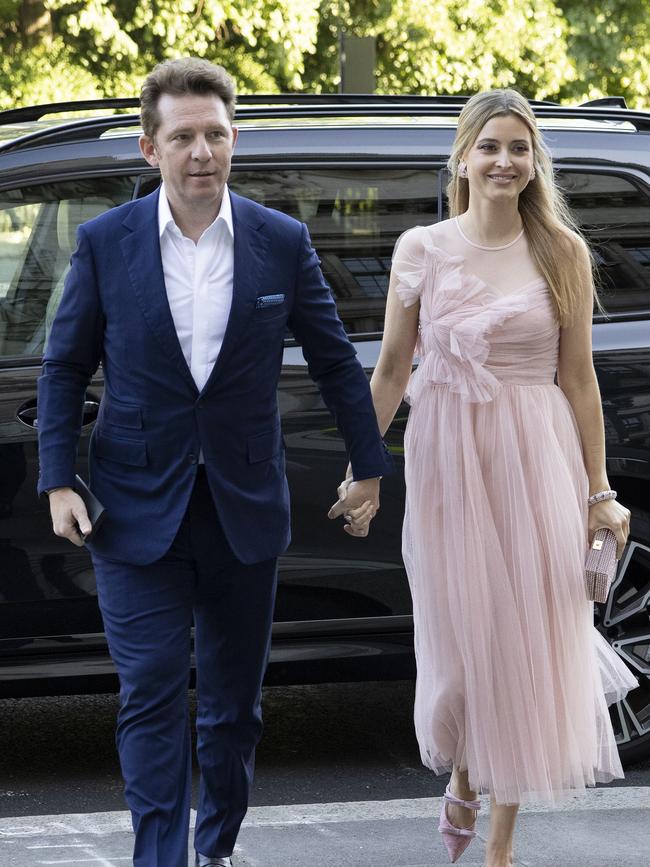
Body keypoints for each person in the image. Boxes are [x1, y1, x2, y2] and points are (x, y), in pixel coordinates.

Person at [37, 58, 389, 867]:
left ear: (236, 140)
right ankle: (159, 858)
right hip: (131, 512)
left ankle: (216, 846)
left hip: (243, 510)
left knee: (232, 709)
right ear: (149, 148)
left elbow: (336, 362)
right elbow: (62, 367)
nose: (202, 151)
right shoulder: (103, 244)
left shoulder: (280, 240)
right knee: (151, 697)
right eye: (184, 136)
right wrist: (59, 479)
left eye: (216, 135)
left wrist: (367, 465)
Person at [352, 89, 638, 867]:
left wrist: (598, 489)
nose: (505, 160)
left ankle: (500, 849)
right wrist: (363, 465)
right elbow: (387, 371)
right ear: (464, 157)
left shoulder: (563, 252)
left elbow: (579, 380)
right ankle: (465, 774)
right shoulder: (422, 249)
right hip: (449, 458)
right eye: (490, 146)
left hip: (536, 454)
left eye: (519, 147)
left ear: (534, 160)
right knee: (461, 643)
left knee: (530, 638)